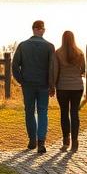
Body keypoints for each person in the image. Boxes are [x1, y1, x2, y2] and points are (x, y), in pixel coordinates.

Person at [11, 20, 55, 154]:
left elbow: (14, 65)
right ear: (42, 30)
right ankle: (41, 142)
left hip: (28, 84)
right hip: (43, 85)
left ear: (33, 29)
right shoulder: (49, 46)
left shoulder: (23, 46)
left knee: (29, 111)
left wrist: (21, 80)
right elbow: (52, 68)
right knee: (43, 112)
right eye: (43, 29)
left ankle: (32, 140)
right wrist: (52, 85)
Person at [52, 30, 86, 152]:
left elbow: (55, 71)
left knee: (64, 113)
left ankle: (66, 141)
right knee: (74, 114)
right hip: (77, 87)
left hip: (62, 87)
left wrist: (53, 86)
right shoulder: (80, 53)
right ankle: (75, 142)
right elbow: (83, 70)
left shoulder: (58, 53)